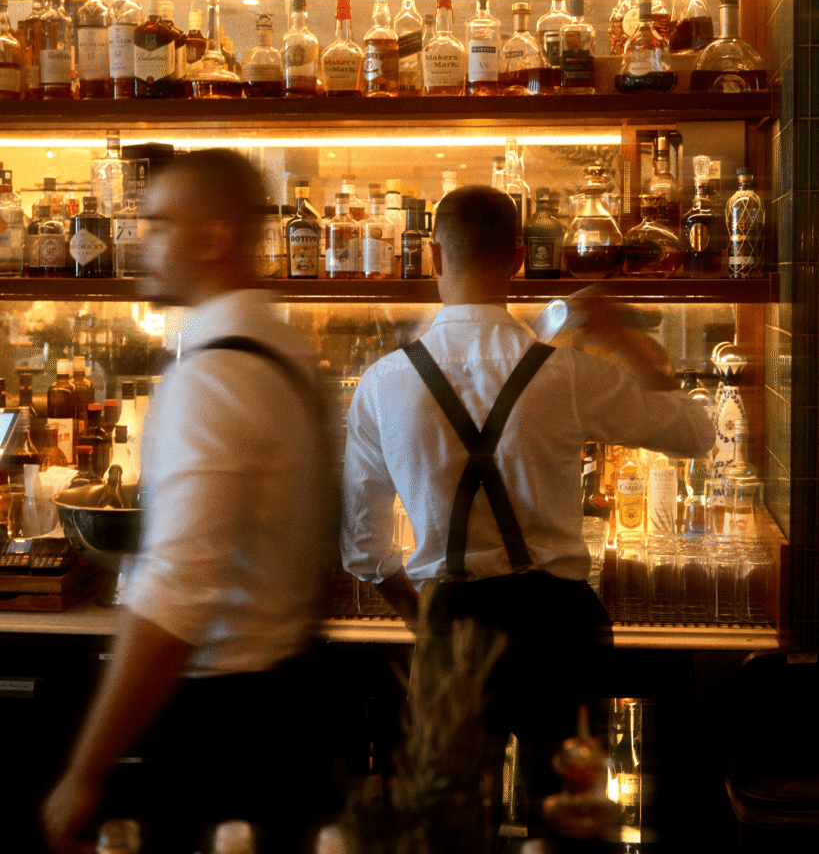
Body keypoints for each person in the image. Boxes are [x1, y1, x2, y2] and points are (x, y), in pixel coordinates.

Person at [340, 185, 715, 826]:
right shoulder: (565, 372)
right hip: (558, 626)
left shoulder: (383, 383)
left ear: (434, 255)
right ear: (518, 258)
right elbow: (695, 432)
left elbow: (363, 547)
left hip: (452, 621)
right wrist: (620, 334)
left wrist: (424, 620)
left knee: (450, 825)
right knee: (566, 821)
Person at [42, 149, 338, 854]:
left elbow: (176, 596)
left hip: (223, 727)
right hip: (291, 704)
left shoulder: (210, 379)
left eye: (159, 224)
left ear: (213, 237)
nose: (141, 242)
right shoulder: (287, 351)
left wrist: (85, 771)